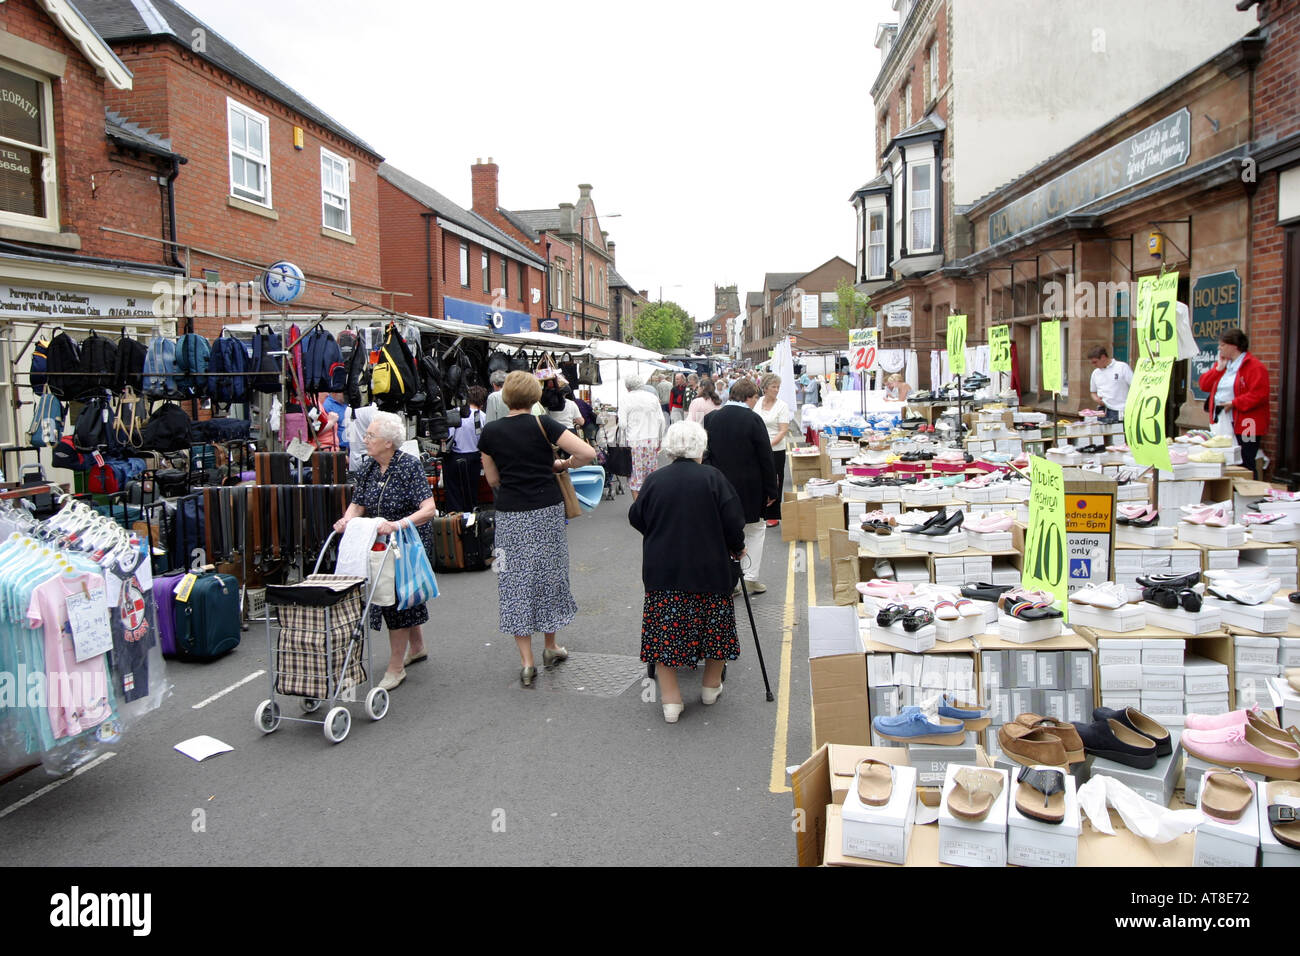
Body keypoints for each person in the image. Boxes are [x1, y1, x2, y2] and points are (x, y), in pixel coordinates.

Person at [478, 371, 597, 686]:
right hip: (546, 510)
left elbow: (492, 480)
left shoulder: (490, 432)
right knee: (549, 574)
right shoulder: (544, 424)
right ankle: (550, 647)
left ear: (505, 397)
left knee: (514, 581)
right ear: (534, 397)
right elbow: (587, 453)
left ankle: (527, 662)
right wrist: (561, 465)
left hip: (510, 514)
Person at [630, 421, 746, 723]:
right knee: (714, 628)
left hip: (664, 569)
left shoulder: (656, 480)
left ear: (670, 447)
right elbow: (734, 522)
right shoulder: (714, 478)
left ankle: (671, 701)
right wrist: (737, 547)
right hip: (709, 569)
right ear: (700, 446)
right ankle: (709, 687)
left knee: (665, 634)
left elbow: (636, 517)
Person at [333, 411, 439, 691]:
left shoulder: (409, 466)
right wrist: (347, 520)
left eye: (371, 436)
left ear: (388, 442)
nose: (365, 440)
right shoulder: (368, 467)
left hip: (406, 542)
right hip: (378, 541)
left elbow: (429, 510)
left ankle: (395, 667)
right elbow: (358, 504)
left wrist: (399, 524)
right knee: (403, 595)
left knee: (395, 600)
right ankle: (416, 647)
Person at [702, 378, 778, 594]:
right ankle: (750, 577)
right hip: (750, 487)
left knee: (724, 531)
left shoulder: (710, 419)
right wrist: (771, 490)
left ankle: (729, 578)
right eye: (756, 398)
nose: (756, 402)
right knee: (755, 529)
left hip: (719, 486)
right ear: (749, 397)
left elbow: (706, 453)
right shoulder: (753, 419)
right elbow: (766, 457)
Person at [1197, 328, 1270, 475]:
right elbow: (1204, 385)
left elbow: (1259, 394)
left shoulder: (1254, 367)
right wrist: (1217, 369)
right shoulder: (1223, 365)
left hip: (1247, 422)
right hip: (1223, 420)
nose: (1219, 348)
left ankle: (1247, 491)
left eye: (1222, 345)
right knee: (1225, 458)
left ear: (1234, 346)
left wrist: (1235, 403)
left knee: (1246, 460)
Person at [621, 373, 666, 499]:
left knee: (636, 477)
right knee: (650, 476)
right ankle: (650, 507)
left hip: (634, 441)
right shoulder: (652, 397)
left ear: (628, 387)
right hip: (651, 440)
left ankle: (638, 508)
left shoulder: (626, 398)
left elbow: (623, 424)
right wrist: (660, 440)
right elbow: (661, 421)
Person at [756, 373, 792, 527]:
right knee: (759, 479)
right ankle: (760, 510)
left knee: (775, 480)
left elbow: (783, 430)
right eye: (773, 387)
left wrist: (768, 445)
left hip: (775, 449)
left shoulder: (782, 406)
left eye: (778, 387)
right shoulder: (757, 403)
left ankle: (773, 515)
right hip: (758, 447)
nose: (777, 390)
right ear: (765, 388)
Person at [444, 385, 487, 512]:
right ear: (483, 402)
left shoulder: (455, 413)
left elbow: (448, 436)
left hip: (454, 455)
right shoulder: (483, 417)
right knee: (470, 489)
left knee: (453, 491)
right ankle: (470, 517)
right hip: (473, 457)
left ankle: (454, 518)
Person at [1088, 346, 1133, 423]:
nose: (1094, 365)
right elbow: (1093, 392)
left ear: (1103, 357)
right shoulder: (1095, 373)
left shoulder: (1122, 367)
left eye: (1095, 362)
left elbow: (1134, 386)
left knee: (1118, 434)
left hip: (1120, 410)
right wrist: (1097, 400)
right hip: (1103, 410)